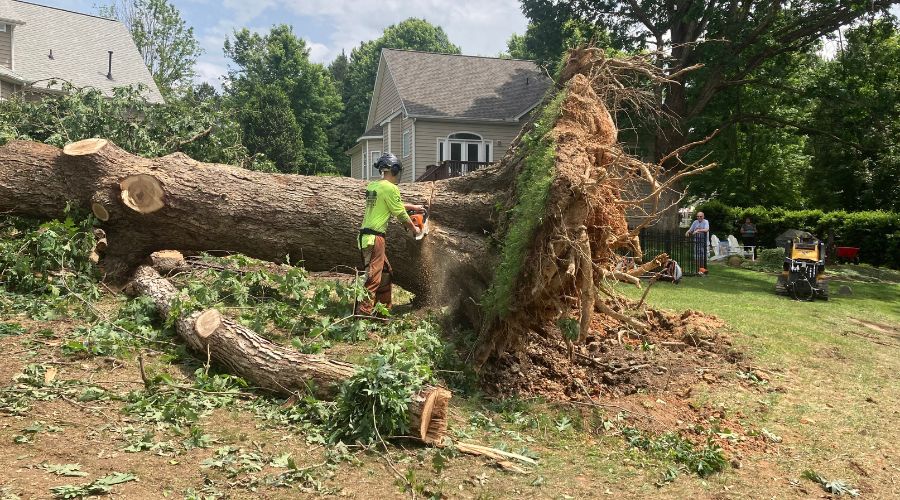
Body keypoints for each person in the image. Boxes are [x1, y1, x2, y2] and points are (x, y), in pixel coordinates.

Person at [356, 153, 423, 315]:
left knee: (385, 273)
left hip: (365, 237)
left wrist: (413, 207)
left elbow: (391, 204)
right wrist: (415, 230)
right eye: (397, 170)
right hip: (375, 238)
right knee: (373, 278)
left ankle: (382, 314)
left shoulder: (373, 186)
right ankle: (361, 317)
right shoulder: (391, 188)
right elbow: (400, 214)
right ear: (393, 170)